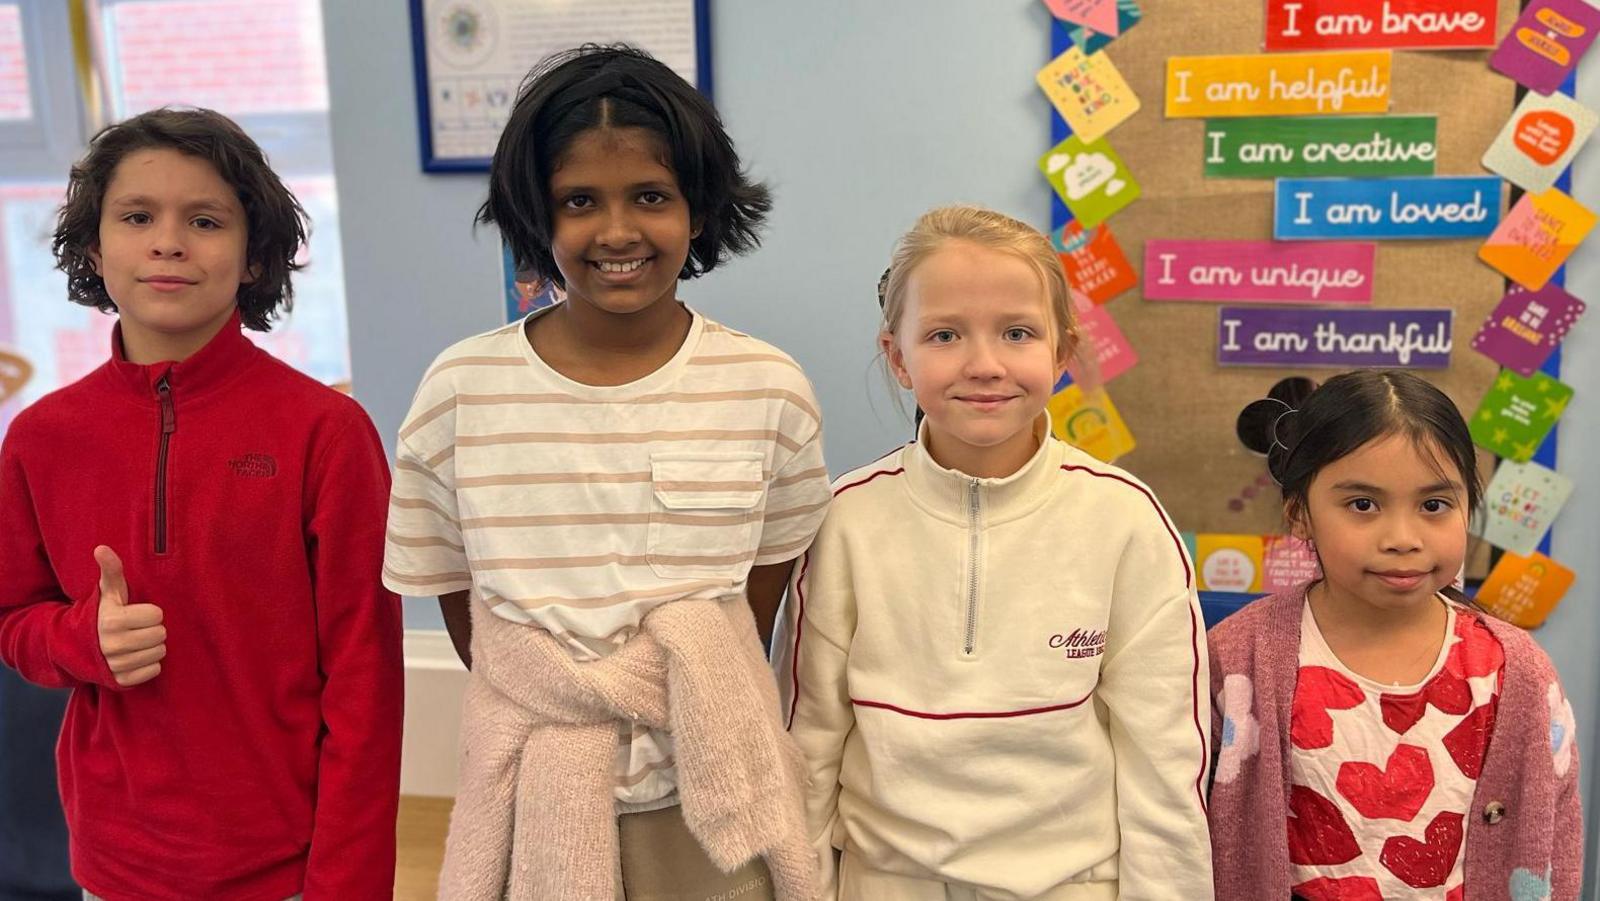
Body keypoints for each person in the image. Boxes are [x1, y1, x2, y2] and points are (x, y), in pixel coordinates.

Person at [383, 45, 832, 900]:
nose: (617, 231)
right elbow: (451, 585)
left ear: (698, 211)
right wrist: (558, 701)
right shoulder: (459, 391)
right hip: (531, 785)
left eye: (651, 197)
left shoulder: (767, 387)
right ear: (535, 216)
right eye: (579, 201)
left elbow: (762, 592)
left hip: (709, 794)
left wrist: (695, 691)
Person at [0, 107, 403, 900]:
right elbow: (13, 620)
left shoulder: (327, 432)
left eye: (206, 219)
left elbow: (366, 683)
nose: (168, 241)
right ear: (94, 246)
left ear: (254, 256)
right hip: (113, 862)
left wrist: (348, 886)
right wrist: (80, 639)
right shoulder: (39, 438)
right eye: (137, 216)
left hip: (283, 867)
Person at [777, 205, 1213, 900]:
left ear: (1062, 352)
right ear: (897, 356)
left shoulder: (1125, 520)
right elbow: (805, 746)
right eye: (945, 334)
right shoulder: (844, 520)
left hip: (1075, 884)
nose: (985, 364)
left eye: (1017, 332)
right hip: (885, 883)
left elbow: (1165, 762)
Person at [1209, 369, 1583, 899]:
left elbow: (1554, 837)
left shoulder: (1515, 671)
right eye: (1363, 505)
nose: (1403, 539)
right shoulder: (1238, 661)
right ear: (1300, 514)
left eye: (1434, 505)